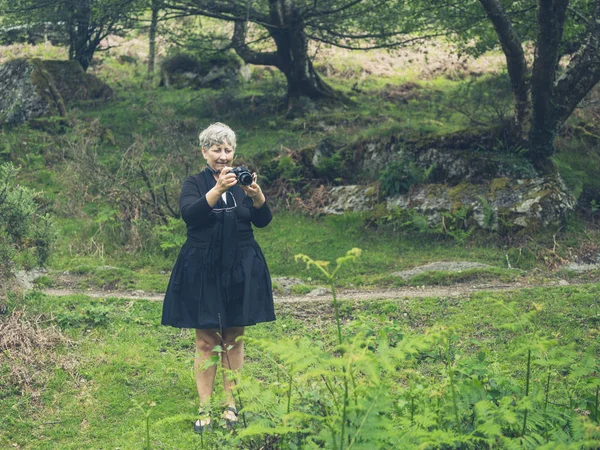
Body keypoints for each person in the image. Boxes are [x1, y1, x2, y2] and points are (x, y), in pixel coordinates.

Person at [161, 122, 275, 433]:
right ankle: (204, 407)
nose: (223, 156)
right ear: (204, 152)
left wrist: (257, 195)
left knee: (234, 339)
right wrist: (217, 190)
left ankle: (231, 406)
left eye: (227, 150)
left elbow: (262, 221)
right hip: (203, 265)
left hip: (240, 263)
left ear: (233, 151)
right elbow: (190, 215)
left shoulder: (242, 181)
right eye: (216, 150)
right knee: (206, 340)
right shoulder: (195, 182)